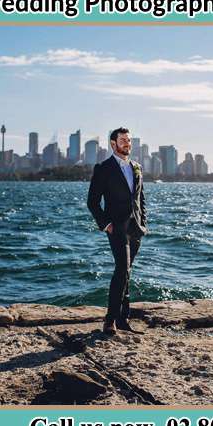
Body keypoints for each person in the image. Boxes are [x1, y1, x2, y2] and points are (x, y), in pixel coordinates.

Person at [87, 127, 146, 335]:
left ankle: (123, 319)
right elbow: (92, 202)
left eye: (129, 140)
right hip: (117, 228)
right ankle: (109, 320)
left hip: (135, 228)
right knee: (122, 269)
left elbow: (140, 199)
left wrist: (143, 223)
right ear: (113, 144)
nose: (127, 143)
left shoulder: (136, 167)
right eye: (122, 140)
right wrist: (106, 225)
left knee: (127, 272)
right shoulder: (103, 168)